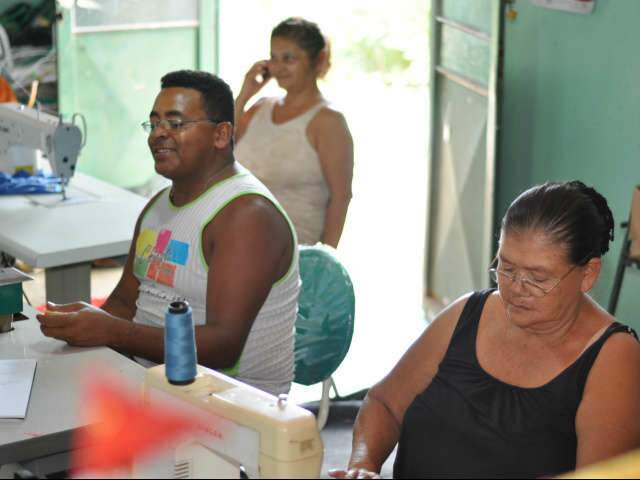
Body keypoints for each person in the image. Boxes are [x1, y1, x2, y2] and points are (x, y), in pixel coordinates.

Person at [330, 181, 640, 478]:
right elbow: (385, 404)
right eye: (506, 267)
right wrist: (364, 463)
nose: (516, 288)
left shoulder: (614, 357)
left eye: (538, 277)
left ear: (588, 274)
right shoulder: (468, 313)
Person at [36, 70, 300, 396]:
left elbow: (224, 346)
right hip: (156, 382)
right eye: (154, 123)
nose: (158, 134)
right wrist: (78, 325)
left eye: (175, 124)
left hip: (233, 408)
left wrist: (112, 332)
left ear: (221, 135)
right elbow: (123, 301)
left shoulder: (247, 216)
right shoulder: (159, 205)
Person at [234, 17, 353, 248]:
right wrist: (244, 95)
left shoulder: (329, 122)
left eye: (288, 58)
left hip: (292, 253)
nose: (277, 68)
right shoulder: (259, 107)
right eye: (273, 58)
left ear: (318, 60)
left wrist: (325, 261)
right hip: (238, 238)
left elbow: (341, 198)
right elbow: (218, 152)